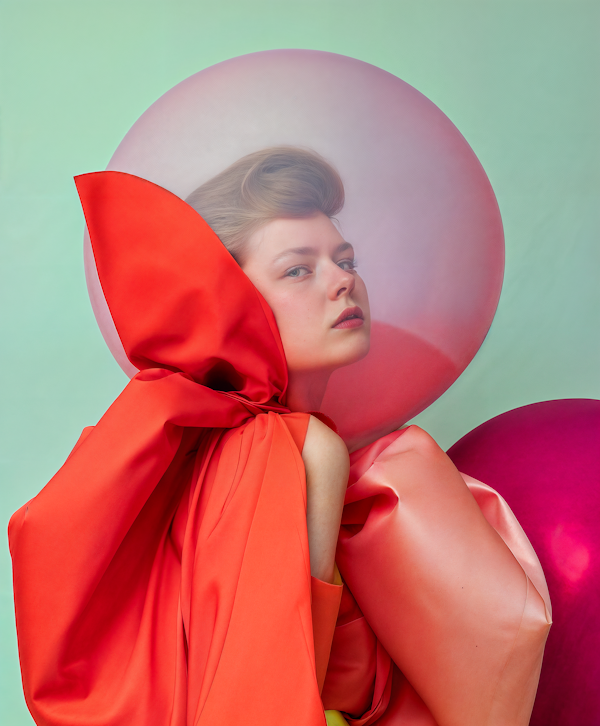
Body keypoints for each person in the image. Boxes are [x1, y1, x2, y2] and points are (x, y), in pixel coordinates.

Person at [8, 147, 551, 726]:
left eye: (346, 259)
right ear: (231, 303)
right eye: (299, 269)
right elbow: (271, 690)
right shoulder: (302, 450)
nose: (342, 281)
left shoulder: (214, 443)